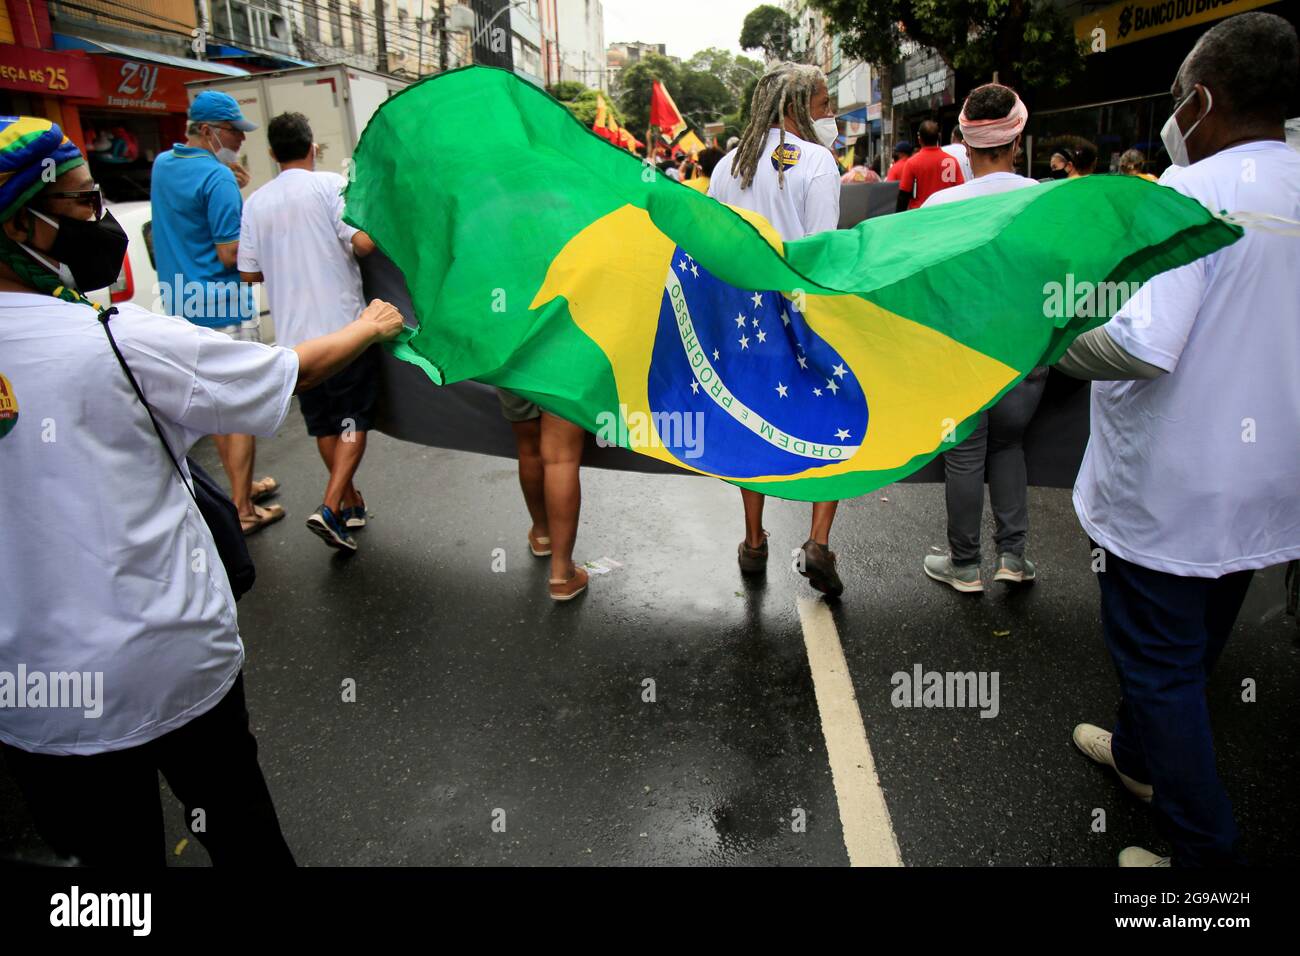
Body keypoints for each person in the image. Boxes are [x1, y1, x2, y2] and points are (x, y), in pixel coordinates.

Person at [0, 117, 405, 864]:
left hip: (31, 696)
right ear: (27, 222)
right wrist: (370, 324)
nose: (102, 220)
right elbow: (287, 372)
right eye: (88, 202)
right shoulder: (115, 338)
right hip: (168, 665)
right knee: (241, 835)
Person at [1055, 11, 1300, 867]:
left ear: (1200, 100)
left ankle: (1204, 865)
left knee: (1160, 663)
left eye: (1173, 100)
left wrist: (1047, 342)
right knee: (1195, 644)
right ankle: (1136, 758)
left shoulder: (1187, 196)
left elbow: (1139, 344)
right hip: (1269, 485)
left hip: (1175, 487)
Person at [709, 61, 846, 596]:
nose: (830, 114)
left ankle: (753, 540)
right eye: (825, 103)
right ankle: (817, 540)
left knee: (752, 421)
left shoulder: (727, 167)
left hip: (745, 323)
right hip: (804, 317)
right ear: (795, 107)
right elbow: (822, 253)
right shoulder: (816, 161)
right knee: (833, 421)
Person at [919, 84, 1046, 592]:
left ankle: (965, 565)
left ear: (964, 143)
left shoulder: (938, 206)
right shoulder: (1046, 200)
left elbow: (924, 282)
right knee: (1010, 447)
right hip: (1025, 352)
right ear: (1018, 141)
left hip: (962, 354)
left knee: (965, 455)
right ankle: (1012, 559)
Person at [237, 112, 380, 553]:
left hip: (295, 342)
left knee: (324, 425)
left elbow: (248, 275)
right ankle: (331, 504)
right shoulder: (330, 188)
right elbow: (364, 244)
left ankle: (350, 504)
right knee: (353, 421)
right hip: (345, 330)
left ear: (270, 153)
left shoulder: (255, 203)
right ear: (312, 146)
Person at [151, 90, 282, 535]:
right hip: (223, 305)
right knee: (238, 410)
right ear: (207, 131)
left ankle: (239, 490)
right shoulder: (218, 179)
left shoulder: (163, 165)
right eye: (232, 133)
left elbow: (188, 216)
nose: (239, 142)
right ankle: (243, 510)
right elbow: (230, 254)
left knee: (216, 407)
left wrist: (226, 181)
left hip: (182, 303)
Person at [498, 391, 589, 600]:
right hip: (566, 362)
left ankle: (542, 534)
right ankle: (562, 573)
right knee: (561, 459)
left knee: (528, 447)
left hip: (513, 361)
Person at [897, 119, 965, 211]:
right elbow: (960, 190)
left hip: (920, 215)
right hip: (946, 213)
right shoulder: (951, 161)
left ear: (919, 139)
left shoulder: (912, 163)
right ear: (938, 137)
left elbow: (903, 196)